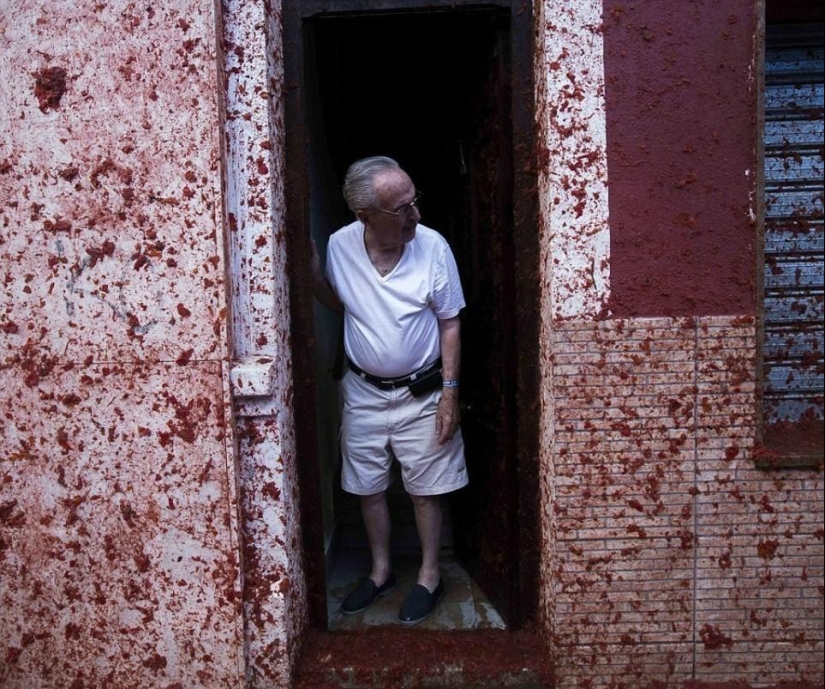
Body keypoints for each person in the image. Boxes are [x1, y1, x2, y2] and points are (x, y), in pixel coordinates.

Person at [310, 156, 468, 625]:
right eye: (401, 209)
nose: (415, 215)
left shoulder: (432, 246)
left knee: (425, 488)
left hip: (422, 391)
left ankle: (428, 576)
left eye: (414, 201)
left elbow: (450, 322)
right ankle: (380, 572)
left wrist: (450, 394)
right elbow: (342, 305)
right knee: (368, 485)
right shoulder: (341, 245)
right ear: (366, 217)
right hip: (362, 391)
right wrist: (314, 276)